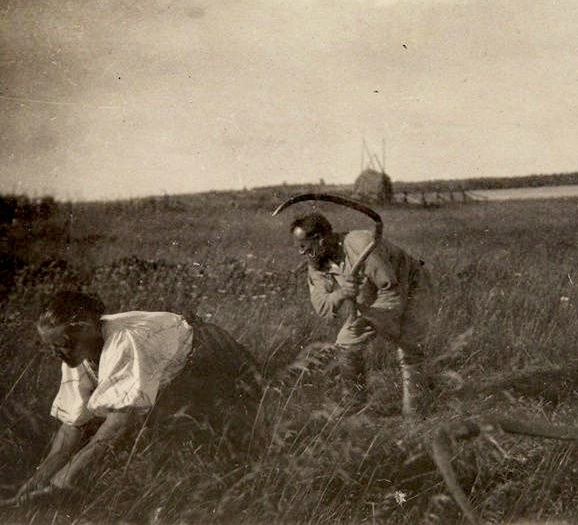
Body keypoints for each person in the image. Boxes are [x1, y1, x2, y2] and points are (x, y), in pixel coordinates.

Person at [9, 291, 263, 505]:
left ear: (86, 328)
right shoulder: (74, 352)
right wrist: (36, 482)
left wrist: (66, 478)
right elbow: (71, 426)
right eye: (51, 347)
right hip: (175, 373)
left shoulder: (124, 341)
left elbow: (121, 421)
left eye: (63, 344)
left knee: (234, 439)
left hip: (210, 355)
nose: (57, 353)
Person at [290, 212, 433, 419]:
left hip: (411, 287)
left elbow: (390, 289)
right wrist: (342, 293)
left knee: (408, 347)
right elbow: (322, 307)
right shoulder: (317, 266)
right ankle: (357, 407)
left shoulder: (360, 243)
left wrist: (384, 326)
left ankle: (415, 416)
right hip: (375, 296)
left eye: (303, 246)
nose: (301, 253)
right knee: (346, 344)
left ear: (319, 239)